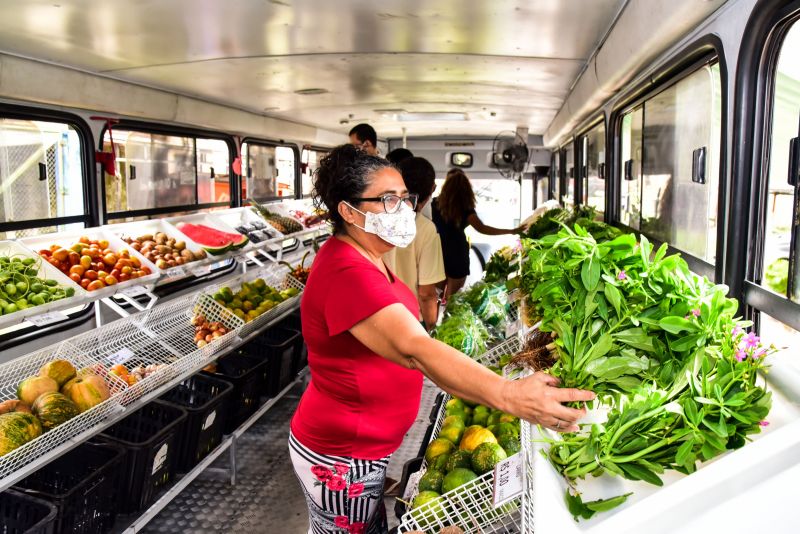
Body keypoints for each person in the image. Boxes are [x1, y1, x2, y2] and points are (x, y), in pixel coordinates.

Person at [289, 144, 594, 534]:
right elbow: (416, 350)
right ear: (349, 211)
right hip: (342, 453)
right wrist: (509, 395)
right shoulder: (345, 273)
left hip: (367, 446)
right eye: (387, 200)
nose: (403, 209)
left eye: (405, 198)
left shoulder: (369, 255)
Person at [432, 168, 524, 298]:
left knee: (436, 295)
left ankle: (432, 317)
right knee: (452, 297)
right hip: (457, 253)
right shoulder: (465, 208)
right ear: (465, 188)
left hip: (438, 251)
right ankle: (447, 317)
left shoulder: (434, 204)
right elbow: (482, 228)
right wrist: (511, 231)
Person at [384, 157, 445, 331]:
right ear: (433, 188)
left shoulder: (380, 220)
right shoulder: (426, 230)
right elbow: (426, 294)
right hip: (411, 320)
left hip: (379, 314)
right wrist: (431, 327)